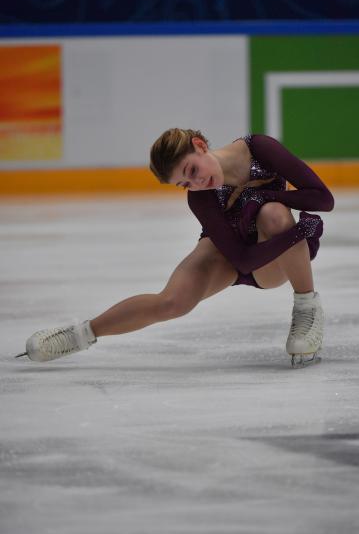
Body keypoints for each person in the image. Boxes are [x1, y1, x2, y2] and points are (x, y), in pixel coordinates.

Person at [19, 129, 334, 368]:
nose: (197, 184)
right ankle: (79, 334)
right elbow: (241, 260)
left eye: (193, 172)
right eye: (186, 184)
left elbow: (322, 198)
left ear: (200, 146)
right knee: (171, 303)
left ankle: (307, 308)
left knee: (274, 214)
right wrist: (297, 234)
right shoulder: (201, 197)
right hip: (230, 252)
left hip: (272, 255)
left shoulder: (260, 149)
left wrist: (268, 200)